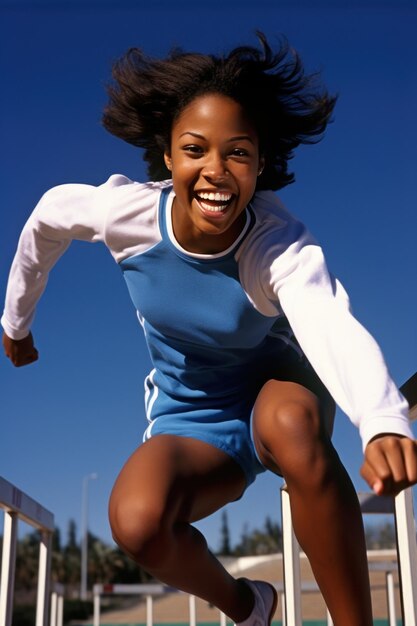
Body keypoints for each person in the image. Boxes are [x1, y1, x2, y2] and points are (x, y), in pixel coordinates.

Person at [2, 33, 416, 626]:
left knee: (290, 424)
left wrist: (380, 419)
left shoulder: (273, 243)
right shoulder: (128, 216)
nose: (216, 173)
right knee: (137, 522)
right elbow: (46, 220)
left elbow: (327, 318)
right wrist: (16, 321)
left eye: (238, 154)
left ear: (260, 163)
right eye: (195, 150)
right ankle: (248, 606)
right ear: (169, 158)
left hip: (278, 386)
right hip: (191, 412)